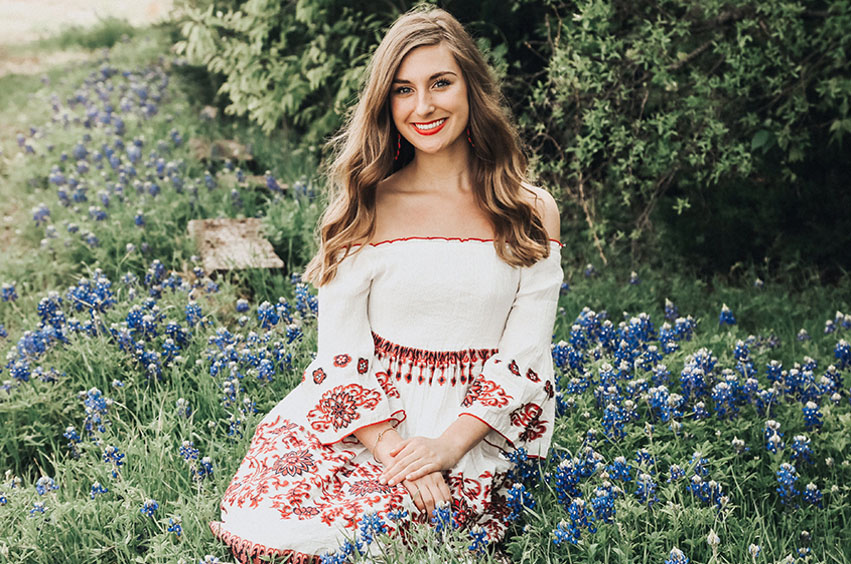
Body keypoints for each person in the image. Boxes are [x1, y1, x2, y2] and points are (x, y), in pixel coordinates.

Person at [211, 6, 563, 563]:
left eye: (440, 83)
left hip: (475, 426)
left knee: (408, 542)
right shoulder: (363, 208)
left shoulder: (530, 209)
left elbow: (524, 355)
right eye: (403, 90)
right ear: (386, 103)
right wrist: (399, 454)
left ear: (471, 87)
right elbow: (341, 354)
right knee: (281, 533)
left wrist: (445, 448)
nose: (423, 106)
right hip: (369, 420)